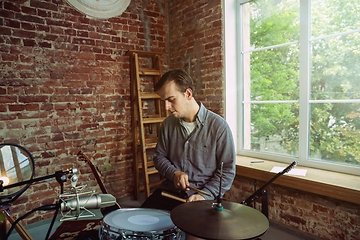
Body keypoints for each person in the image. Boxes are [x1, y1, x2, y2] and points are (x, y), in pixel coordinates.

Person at [141, 69, 236, 239]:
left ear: (188, 94)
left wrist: (203, 194)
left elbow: (227, 171)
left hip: (204, 198)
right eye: (164, 101)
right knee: (139, 225)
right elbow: (159, 157)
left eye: (171, 100)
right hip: (169, 192)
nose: (166, 107)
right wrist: (174, 173)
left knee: (192, 235)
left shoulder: (219, 127)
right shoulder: (168, 125)